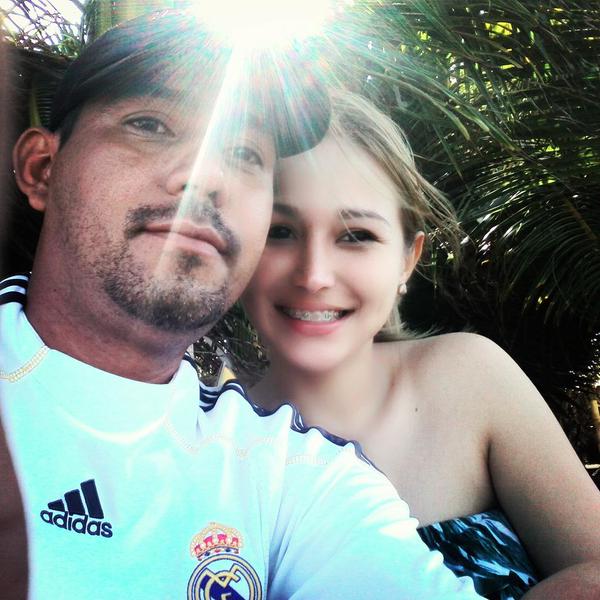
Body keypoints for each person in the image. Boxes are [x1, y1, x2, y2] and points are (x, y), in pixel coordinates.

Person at [0, 10, 484, 600]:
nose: (206, 177)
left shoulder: (294, 475)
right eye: (149, 124)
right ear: (42, 169)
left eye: (245, 153)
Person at [240, 89, 600, 599]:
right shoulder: (205, 443)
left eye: (356, 235)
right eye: (279, 231)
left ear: (407, 259)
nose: (314, 275)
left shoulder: (469, 377)